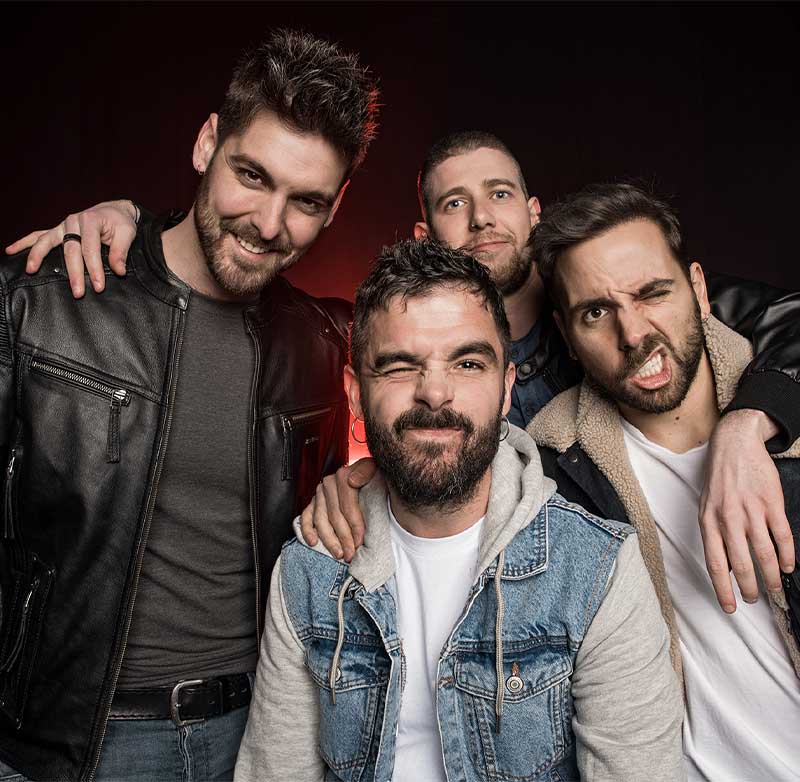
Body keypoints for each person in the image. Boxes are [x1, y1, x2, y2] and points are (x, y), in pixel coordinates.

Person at [13, 131, 800, 611]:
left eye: (499, 193)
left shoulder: (609, 301)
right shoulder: (382, 335)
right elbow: (341, 360)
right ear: (426, 233)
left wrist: (747, 421)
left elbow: (777, 324)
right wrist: (136, 224)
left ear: (533, 212)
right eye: (455, 204)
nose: (482, 217)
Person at [0, 29, 378, 782]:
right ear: (208, 143)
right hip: (73, 744)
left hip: (259, 736)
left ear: (336, 206)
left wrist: (361, 481)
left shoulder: (320, 344)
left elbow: (460, 385)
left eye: (305, 201)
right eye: (252, 175)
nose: (268, 223)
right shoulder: (44, 303)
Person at [233, 238, 684, 782]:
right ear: (354, 394)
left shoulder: (596, 572)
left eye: (468, 363)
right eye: (400, 367)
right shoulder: (307, 572)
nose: (435, 393)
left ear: (506, 388)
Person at [527, 182, 800, 780]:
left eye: (653, 293)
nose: (633, 334)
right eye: (596, 312)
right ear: (566, 335)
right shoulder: (553, 470)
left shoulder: (785, 403)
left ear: (699, 289)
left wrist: (747, 428)